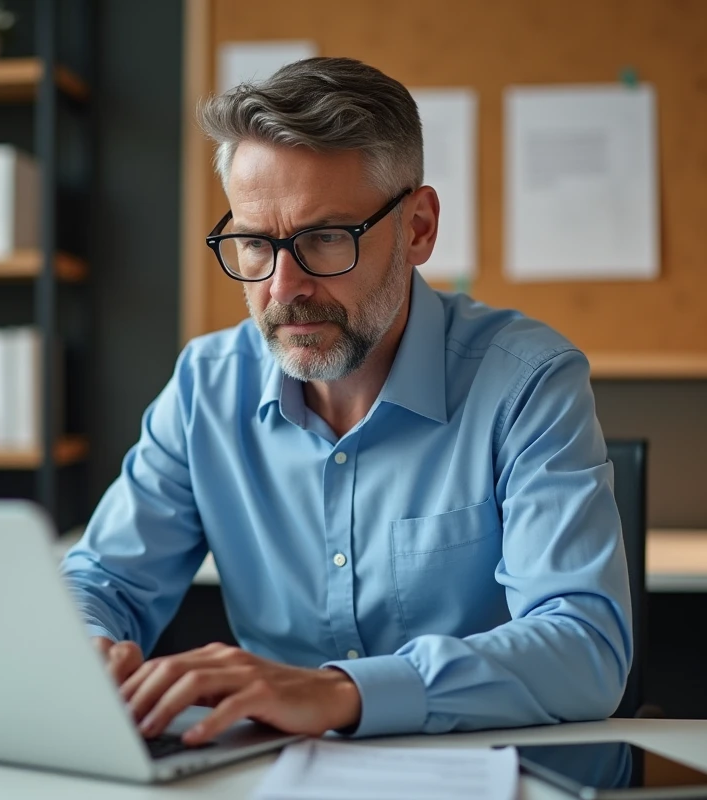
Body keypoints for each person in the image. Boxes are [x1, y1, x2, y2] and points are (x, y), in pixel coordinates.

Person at [61, 57, 631, 745]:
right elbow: (103, 581)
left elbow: (585, 648)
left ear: (417, 227)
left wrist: (339, 694)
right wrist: (85, 646)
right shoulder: (205, 387)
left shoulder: (527, 383)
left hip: (475, 770)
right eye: (253, 244)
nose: (283, 287)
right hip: (267, 776)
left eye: (325, 238)